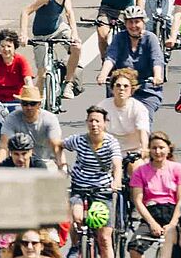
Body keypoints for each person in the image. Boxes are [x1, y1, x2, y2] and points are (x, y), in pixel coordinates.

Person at [65, 106, 123, 258]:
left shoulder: (111, 142)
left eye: (97, 121)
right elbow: (59, 144)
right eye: (91, 121)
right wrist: (61, 164)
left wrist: (116, 180)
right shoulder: (79, 140)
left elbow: (117, 163)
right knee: (76, 218)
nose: (94, 124)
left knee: (104, 239)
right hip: (80, 189)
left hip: (102, 191)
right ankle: (76, 246)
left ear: (105, 123)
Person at [20, 0, 82, 100]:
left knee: (76, 47)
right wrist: (24, 35)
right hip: (41, 35)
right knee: (42, 74)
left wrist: (74, 34)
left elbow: (69, 12)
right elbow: (26, 12)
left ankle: (69, 83)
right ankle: (38, 103)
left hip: (58, 28)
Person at [96, 6, 166, 118]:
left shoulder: (150, 38)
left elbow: (156, 59)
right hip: (121, 89)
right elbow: (110, 57)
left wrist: (157, 76)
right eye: (130, 22)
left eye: (137, 22)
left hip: (145, 90)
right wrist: (103, 74)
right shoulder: (119, 38)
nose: (133, 26)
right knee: (111, 119)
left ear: (144, 22)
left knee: (143, 118)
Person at [129, 132, 181, 257]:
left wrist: (173, 224)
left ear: (168, 149)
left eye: (161, 148)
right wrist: (152, 224)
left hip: (173, 213)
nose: (158, 151)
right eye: (154, 148)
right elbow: (138, 201)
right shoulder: (140, 172)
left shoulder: (177, 168)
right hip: (151, 213)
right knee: (134, 248)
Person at [0, 30, 35, 147]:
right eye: (2, 46)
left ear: (14, 47)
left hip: (17, 99)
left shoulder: (21, 60)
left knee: (21, 122)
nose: (6, 49)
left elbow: (27, 80)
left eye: (9, 46)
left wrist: (31, 97)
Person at [0, 86, 63, 166]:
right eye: (25, 103)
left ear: (39, 104)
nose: (29, 107)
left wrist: (62, 166)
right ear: (21, 104)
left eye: (32, 104)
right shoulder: (12, 118)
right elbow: (3, 146)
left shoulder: (49, 119)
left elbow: (56, 146)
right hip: (20, 161)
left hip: (46, 161)